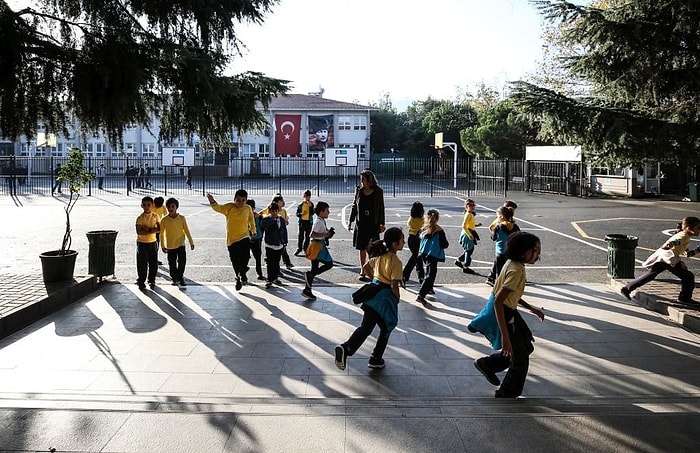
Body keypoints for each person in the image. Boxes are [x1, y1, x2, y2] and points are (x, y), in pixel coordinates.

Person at [469, 231, 545, 398]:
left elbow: (511, 294)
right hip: (504, 313)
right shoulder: (515, 270)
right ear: (522, 251)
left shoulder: (513, 264)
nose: (537, 254)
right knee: (520, 357)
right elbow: (498, 302)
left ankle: (488, 364)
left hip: (509, 311)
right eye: (535, 250)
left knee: (525, 347)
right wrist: (505, 338)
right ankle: (507, 392)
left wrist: (531, 307)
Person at [335, 227, 405, 371]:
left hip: (372, 295)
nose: (404, 242)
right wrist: (397, 298)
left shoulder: (380, 256)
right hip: (384, 299)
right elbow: (394, 285)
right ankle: (376, 358)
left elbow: (366, 266)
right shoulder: (396, 262)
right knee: (386, 327)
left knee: (365, 328)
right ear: (395, 244)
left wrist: (374, 279)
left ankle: (346, 348)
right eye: (402, 240)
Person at [621, 216, 700, 305]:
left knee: (651, 274)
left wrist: (697, 250)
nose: (699, 230)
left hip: (663, 256)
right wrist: (670, 244)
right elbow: (676, 242)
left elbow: (688, 254)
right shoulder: (684, 236)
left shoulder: (684, 235)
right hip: (668, 257)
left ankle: (627, 289)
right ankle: (684, 298)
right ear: (689, 228)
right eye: (698, 228)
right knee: (688, 277)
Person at [207, 190, 256, 291]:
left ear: (246, 201)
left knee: (246, 256)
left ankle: (242, 272)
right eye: (238, 200)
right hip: (232, 240)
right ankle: (238, 277)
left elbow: (251, 219)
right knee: (235, 260)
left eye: (243, 200)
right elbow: (218, 208)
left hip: (244, 237)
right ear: (234, 199)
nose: (240, 203)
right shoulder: (229, 207)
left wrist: (253, 230)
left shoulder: (248, 208)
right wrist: (212, 201)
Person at [348, 170, 386, 282]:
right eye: (361, 180)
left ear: (369, 180)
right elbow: (354, 206)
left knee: (373, 249)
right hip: (361, 223)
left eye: (363, 180)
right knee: (362, 248)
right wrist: (351, 220)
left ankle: (372, 269)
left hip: (373, 223)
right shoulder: (359, 191)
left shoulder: (378, 191)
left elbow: (381, 208)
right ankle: (363, 270)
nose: (361, 182)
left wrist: (382, 223)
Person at [302, 201, 334, 301]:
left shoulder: (321, 220)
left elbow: (322, 232)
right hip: (318, 247)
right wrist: (325, 235)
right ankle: (310, 276)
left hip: (318, 246)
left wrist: (328, 233)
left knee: (314, 269)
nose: (329, 212)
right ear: (321, 213)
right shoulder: (318, 222)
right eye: (327, 211)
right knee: (329, 264)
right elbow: (311, 234)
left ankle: (307, 290)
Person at [416, 208, 449, 305]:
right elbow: (444, 244)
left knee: (428, 271)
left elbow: (419, 237)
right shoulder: (439, 230)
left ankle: (429, 288)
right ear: (437, 218)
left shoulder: (424, 228)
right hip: (433, 254)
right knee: (431, 274)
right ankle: (421, 294)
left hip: (423, 252)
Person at [160, 197, 195, 286]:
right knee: (172, 263)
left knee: (182, 261)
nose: (170, 208)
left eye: (172, 206)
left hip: (180, 244)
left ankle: (180, 277)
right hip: (170, 245)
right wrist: (163, 245)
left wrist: (191, 242)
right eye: (168, 207)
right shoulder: (164, 220)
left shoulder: (182, 218)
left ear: (176, 207)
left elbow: (186, 230)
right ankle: (174, 277)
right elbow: (162, 234)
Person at [486, 206, 520, 286]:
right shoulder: (515, 226)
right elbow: (519, 237)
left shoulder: (498, 227)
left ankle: (498, 285)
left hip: (500, 251)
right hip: (510, 252)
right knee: (508, 269)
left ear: (501, 217)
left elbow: (493, 238)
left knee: (499, 270)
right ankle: (509, 284)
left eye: (497, 217)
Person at [260, 202, 288, 289]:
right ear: (270, 211)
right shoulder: (267, 219)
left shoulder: (281, 219)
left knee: (276, 262)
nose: (275, 213)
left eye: (276, 211)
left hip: (279, 244)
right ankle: (269, 279)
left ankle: (275, 277)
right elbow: (263, 224)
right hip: (270, 244)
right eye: (273, 211)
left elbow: (284, 230)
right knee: (270, 263)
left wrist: (285, 242)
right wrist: (273, 220)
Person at [135, 196, 160, 290]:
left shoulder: (155, 216)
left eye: (148, 205)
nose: (146, 207)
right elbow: (139, 231)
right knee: (142, 263)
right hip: (142, 243)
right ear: (141, 205)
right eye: (144, 205)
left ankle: (152, 279)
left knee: (153, 263)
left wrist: (148, 229)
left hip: (152, 242)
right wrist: (153, 230)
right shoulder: (140, 218)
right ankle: (141, 281)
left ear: (152, 205)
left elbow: (160, 229)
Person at [262, 194, 293, 270]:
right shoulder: (270, 210)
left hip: (281, 235)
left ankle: (286, 263)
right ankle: (282, 264)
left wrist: (284, 222)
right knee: (274, 251)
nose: (283, 202)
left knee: (281, 251)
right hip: (272, 236)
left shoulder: (283, 211)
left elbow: (286, 221)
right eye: (281, 201)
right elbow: (262, 215)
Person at [455, 199, 482, 274]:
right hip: (467, 234)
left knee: (469, 249)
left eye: (473, 205)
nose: (473, 207)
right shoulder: (468, 214)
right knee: (469, 250)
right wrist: (469, 235)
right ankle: (466, 266)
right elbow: (464, 226)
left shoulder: (470, 214)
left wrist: (476, 225)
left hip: (469, 232)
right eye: (470, 205)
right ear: (466, 207)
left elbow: (469, 225)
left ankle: (458, 261)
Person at [402, 201, 425, 285]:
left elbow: (409, 224)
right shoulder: (422, 220)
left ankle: (421, 276)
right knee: (416, 258)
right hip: (417, 239)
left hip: (410, 239)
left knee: (417, 258)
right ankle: (405, 274)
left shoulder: (411, 219)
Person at [246, 199, 266, 281]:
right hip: (246, 239)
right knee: (245, 257)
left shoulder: (258, 217)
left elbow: (262, 227)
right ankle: (243, 273)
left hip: (257, 239)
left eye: (251, 208)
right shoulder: (244, 217)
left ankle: (259, 273)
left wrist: (260, 237)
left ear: (254, 208)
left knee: (257, 257)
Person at [295, 189, 314, 256]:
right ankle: (299, 248)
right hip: (302, 222)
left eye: (308, 196)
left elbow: (312, 213)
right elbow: (297, 214)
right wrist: (301, 214)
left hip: (309, 222)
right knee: (300, 236)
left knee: (307, 237)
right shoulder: (301, 205)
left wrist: (311, 207)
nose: (307, 198)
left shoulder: (311, 204)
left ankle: (306, 249)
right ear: (304, 196)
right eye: (306, 196)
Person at [153, 196, 168, 266]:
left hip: (158, 228)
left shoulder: (163, 207)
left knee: (157, 244)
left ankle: (154, 259)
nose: (157, 207)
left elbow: (166, 216)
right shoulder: (151, 206)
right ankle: (150, 259)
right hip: (151, 228)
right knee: (151, 244)